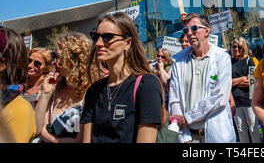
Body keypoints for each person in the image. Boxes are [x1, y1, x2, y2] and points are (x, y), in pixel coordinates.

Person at [81, 12, 163, 143]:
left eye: (107, 37)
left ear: (127, 43)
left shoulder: (146, 85)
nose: (98, 43)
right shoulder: (93, 90)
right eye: (96, 37)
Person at [169, 13, 235, 143]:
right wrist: (184, 136)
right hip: (189, 136)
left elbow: (220, 98)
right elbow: (174, 99)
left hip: (216, 135)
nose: (190, 33)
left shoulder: (222, 58)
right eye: (186, 30)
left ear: (207, 30)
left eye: (194, 28)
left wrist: (188, 117)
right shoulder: (179, 61)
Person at [34, 33, 92, 143]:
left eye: (57, 57)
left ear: (74, 60)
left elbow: (80, 140)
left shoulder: (90, 91)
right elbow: (37, 129)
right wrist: (45, 94)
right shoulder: (54, 89)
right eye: (53, 56)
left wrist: (50, 138)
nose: (53, 61)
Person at [0, 27, 36, 143]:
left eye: (37, 63)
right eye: (29, 61)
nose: (31, 65)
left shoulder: (19, 110)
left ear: (4, 64)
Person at [230, 36, 260, 143]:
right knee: (241, 130)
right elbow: (226, 82)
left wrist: (233, 82)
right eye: (234, 47)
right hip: (235, 102)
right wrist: (242, 78)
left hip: (249, 102)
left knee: (253, 129)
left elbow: (251, 82)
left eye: (240, 47)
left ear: (244, 48)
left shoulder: (250, 60)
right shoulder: (229, 62)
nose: (236, 49)